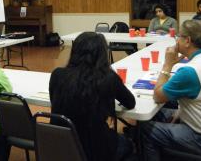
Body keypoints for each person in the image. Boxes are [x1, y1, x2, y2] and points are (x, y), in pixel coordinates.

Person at [49, 32, 136, 161]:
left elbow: (54, 100)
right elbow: (130, 102)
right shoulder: (108, 77)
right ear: (102, 54)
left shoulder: (57, 75)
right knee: (130, 143)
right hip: (97, 150)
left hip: (62, 145)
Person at [141, 20, 201, 160]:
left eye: (179, 36)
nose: (176, 40)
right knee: (159, 113)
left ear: (187, 40)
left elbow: (158, 96)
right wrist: (181, 112)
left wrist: (167, 64)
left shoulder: (190, 71)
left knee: (145, 129)